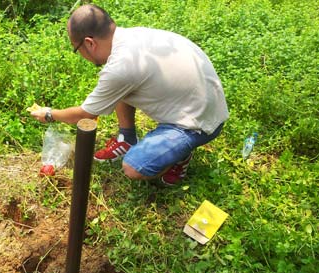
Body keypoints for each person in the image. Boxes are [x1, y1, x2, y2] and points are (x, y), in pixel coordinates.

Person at [30, 4, 229, 185]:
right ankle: (127, 138)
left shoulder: (121, 67)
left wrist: (49, 114)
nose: (80, 55)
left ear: (89, 43)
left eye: (77, 49)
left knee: (134, 166)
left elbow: (84, 115)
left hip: (200, 124)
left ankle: (180, 155)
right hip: (207, 102)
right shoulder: (131, 38)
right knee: (118, 87)